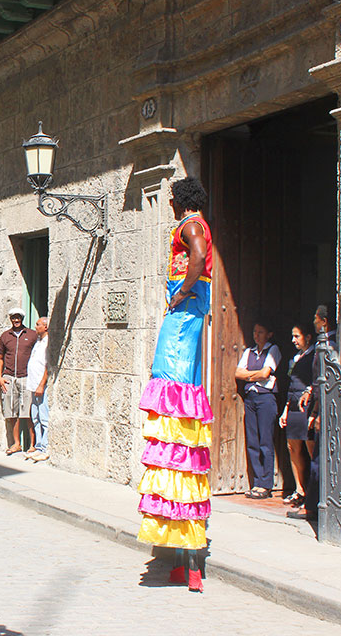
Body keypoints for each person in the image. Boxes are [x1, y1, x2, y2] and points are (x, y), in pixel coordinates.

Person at [136, 176, 213, 593]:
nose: (167, 203)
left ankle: (191, 561)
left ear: (180, 200)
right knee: (173, 386)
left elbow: (198, 256)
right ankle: (186, 559)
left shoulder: (190, 225)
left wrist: (182, 293)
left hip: (184, 315)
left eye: (170, 198)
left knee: (172, 384)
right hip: (189, 313)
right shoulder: (192, 225)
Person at [288, 305, 337, 522]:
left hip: (324, 408)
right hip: (315, 401)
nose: (315, 322)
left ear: (324, 321)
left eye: (316, 319)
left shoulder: (329, 345)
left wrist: (316, 410)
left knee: (317, 459)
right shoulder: (325, 344)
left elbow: (324, 379)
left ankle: (313, 506)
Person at [235, 320, 281, 499]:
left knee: (265, 441)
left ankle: (265, 484)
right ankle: (256, 482)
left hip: (266, 399)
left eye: (260, 332)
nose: (256, 335)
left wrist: (249, 376)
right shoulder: (249, 352)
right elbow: (238, 373)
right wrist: (255, 377)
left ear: (268, 334)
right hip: (251, 398)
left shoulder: (273, 350)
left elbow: (265, 373)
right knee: (253, 441)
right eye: (255, 332)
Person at [278, 322, 316, 508]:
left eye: (297, 336)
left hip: (306, 405)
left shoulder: (315, 355)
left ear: (307, 337)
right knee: (292, 447)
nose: (293, 340)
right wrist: (285, 409)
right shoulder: (295, 358)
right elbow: (291, 384)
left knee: (310, 448)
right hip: (292, 403)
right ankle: (299, 489)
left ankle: (312, 492)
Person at [0, 307, 38, 455]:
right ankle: (16, 443)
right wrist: (0, 377)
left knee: (27, 412)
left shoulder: (32, 335)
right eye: (13, 317)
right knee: (12, 412)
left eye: (18, 317)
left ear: (22, 318)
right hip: (9, 377)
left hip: (26, 377)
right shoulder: (5, 336)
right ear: (10, 319)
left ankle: (32, 445)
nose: (16, 320)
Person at [26, 316, 50, 463]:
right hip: (32, 384)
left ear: (45, 327)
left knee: (43, 416)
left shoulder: (48, 343)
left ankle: (45, 447)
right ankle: (38, 446)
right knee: (35, 417)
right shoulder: (38, 342)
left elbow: (47, 365)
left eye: (38, 324)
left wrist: (41, 384)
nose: (35, 327)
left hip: (40, 386)